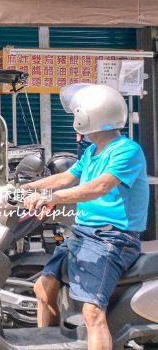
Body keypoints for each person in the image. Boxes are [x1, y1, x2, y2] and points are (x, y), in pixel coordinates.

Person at [23, 84, 146, 349]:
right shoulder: (92, 151)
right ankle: (50, 342)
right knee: (43, 288)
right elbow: (67, 177)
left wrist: (53, 198)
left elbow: (101, 186)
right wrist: (26, 188)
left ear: (89, 116)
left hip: (111, 238)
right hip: (83, 234)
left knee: (92, 311)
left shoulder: (127, 150)